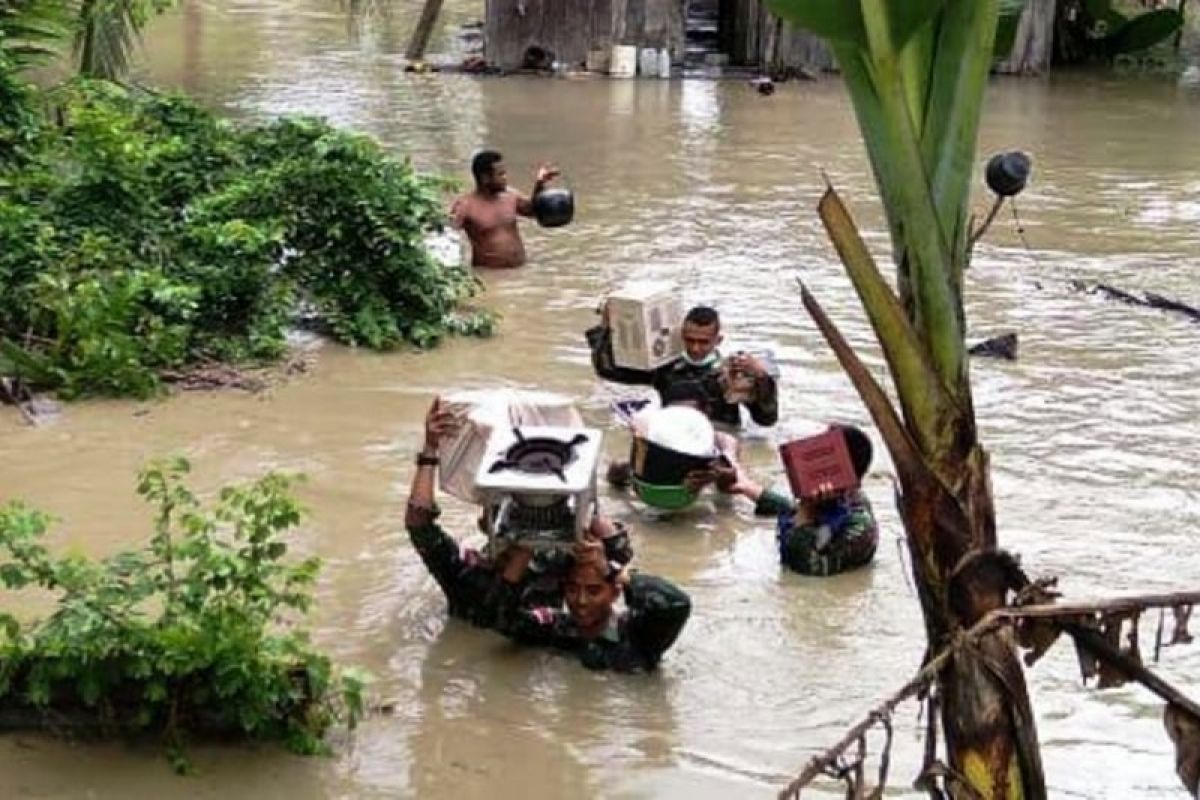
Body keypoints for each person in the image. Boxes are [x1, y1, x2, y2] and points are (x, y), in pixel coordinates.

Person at [405, 398, 691, 672]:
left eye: (511, 511)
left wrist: (582, 510)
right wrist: (430, 452)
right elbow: (498, 618)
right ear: (484, 524)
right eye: (499, 515)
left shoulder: (627, 629)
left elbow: (624, 563)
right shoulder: (465, 574)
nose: (580, 600)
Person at [720, 424, 879, 576]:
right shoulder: (836, 498)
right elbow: (790, 509)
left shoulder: (860, 526)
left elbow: (805, 569)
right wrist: (746, 487)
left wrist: (807, 510)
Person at [586, 304, 778, 428]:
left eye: (703, 342)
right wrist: (606, 329)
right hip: (674, 438)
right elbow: (607, 370)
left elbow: (766, 420)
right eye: (689, 340)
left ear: (718, 340)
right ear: (680, 336)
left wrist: (761, 375)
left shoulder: (735, 373)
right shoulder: (664, 368)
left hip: (719, 441)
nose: (695, 348)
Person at [449, 150, 559, 269]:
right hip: (489, 275)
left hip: (520, 270)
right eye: (501, 174)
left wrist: (540, 184)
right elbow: (446, 235)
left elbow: (533, 211)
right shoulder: (465, 205)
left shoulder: (510, 195)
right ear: (485, 178)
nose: (505, 178)